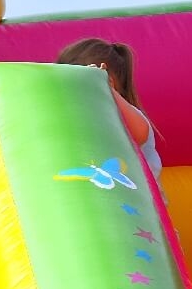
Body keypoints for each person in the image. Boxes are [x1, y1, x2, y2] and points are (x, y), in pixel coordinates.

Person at [56, 38, 162, 187]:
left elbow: (140, 133)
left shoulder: (130, 118)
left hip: (141, 198)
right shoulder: (73, 120)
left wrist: (105, 89)